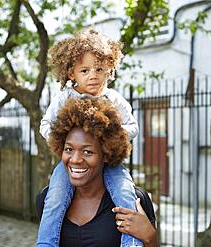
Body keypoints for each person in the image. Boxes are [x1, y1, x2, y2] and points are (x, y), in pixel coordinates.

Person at [37, 29, 141, 246]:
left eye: (99, 69)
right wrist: (60, 140)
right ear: (71, 73)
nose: (93, 75)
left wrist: (114, 136)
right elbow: (45, 125)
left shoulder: (113, 99)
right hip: (72, 166)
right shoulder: (65, 97)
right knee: (54, 199)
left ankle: (131, 243)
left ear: (109, 70)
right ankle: (46, 243)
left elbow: (133, 126)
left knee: (125, 194)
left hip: (110, 162)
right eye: (85, 70)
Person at [37, 97, 157, 247]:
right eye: (69, 149)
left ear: (106, 154)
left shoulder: (134, 201)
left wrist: (150, 237)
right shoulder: (47, 200)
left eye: (87, 152)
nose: (75, 159)